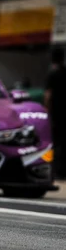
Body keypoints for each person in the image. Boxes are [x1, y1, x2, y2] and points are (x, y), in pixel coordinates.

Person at [45, 47, 66, 179]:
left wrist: (46, 110)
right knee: (64, 143)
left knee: (54, 143)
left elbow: (48, 95)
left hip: (55, 113)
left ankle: (54, 170)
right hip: (65, 113)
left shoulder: (52, 74)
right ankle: (63, 171)